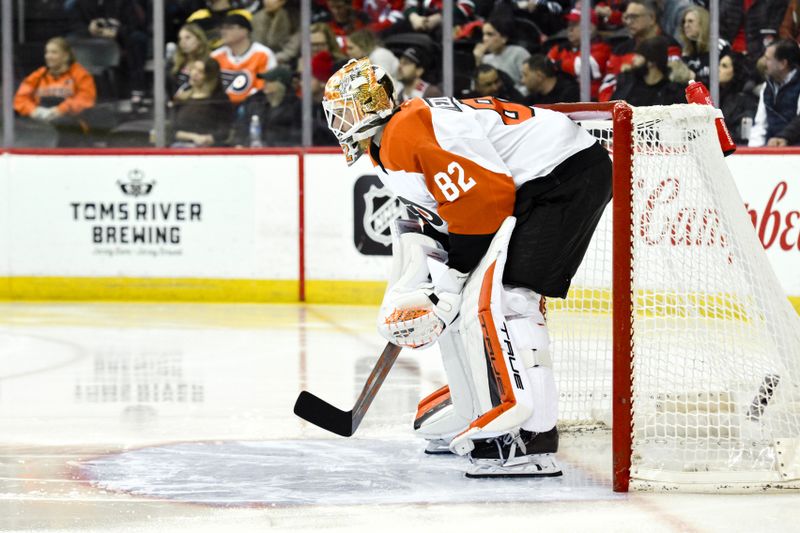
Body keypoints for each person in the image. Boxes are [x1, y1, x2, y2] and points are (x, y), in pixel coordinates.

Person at [321, 57, 612, 477]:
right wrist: (430, 288)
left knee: (513, 300)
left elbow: (484, 203)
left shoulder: (406, 130)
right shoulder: (388, 143)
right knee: (469, 304)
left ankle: (532, 437)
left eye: (344, 110)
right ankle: (478, 405)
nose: (337, 121)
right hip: (536, 181)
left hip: (563, 175)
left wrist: (453, 284)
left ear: (370, 105)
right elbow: (446, 218)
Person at [13, 37, 97, 147]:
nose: (48, 56)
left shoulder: (81, 75)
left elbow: (86, 99)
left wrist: (60, 110)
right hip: (40, 124)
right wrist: (34, 111)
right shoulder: (38, 75)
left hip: (72, 127)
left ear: (66, 56)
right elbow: (20, 99)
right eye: (47, 52)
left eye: (54, 53)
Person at [67, 0, 149, 106]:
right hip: (89, 42)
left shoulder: (124, 3)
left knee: (138, 39)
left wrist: (116, 32)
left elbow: (134, 25)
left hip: (119, 42)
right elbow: (72, 25)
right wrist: (89, 29)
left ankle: (137, 89)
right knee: (68, 40)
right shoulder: (80, 3)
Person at [599, 0, 682, 101]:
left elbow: (673, 80)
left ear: (652, 18)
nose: (629, 22)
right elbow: (607, 88)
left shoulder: (670, 46)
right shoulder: (620, 50)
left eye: (634, 17)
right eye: (626, 17)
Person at [211, 10, 278, 106]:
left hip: (254, 106)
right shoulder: (216, 56)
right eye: (222, 28)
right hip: (221, 107)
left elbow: (266, 86)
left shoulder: (263, 54)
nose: (223, 32)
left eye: (229, 28)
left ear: (245, 30)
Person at [546, 8, 611, 100]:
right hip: (563, 99)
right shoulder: (560, 48)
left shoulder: (603, 48)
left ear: (590, 28)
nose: (570, 29)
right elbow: (547, 67)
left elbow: (584, 68)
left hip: (591, 103)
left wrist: (559, 64)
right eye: (569, 25)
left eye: (575, 25)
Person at [169, 56, 234, 147]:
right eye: (193, 69)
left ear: (210, 77)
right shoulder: (181, 98)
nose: (194, 73)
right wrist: (194, 137)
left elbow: (225, 130)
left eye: (200, 72)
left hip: (211, 148)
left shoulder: (219, 99)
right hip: (181, 147)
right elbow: (172, 130)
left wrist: (208, 138)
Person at [232, 66, 301, 146]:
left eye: (269, 81)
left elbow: (296, 136)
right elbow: (242, 126)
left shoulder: (296, 107)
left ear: (280, 84)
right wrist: (240, 143)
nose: (265, 84)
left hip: (282, 152)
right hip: (253, 149)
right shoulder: (255, 101)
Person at [749, 39, 800, 146]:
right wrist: (753, 154)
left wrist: (783, 137)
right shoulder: (767, 87)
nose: (763, 62)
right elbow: (760, 125)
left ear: (782, 64)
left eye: (768, 59)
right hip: (772, 150)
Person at [611, 36, 686, 106]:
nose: (633, 59)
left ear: (652, 62)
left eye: (639, 56)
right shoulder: (628, 82)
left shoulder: (672, 91)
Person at [473, 15, 531, 94]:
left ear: (504, 38)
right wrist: (478, 61)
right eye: (483, 34)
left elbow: (531, 86)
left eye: (489, 34)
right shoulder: (485, 59)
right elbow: (477, 89)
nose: (484, 39)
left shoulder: (518, 53)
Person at [678, 6, 730, 87]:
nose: (686, 25)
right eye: (684, 22)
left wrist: (694, 77)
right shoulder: (686, 51)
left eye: (690, 21)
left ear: (703, 23)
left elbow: (721, 82)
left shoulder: (720, 47)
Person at [718, 51, 759, 144]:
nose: (718, 69)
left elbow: (742, 135)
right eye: (719, 65)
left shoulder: (747, 101)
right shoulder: (718, 95)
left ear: (736, 71)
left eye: (724, 66)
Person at [168, 23, 211, 97]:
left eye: (188, 38)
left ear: (199, 40)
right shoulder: (175, 64)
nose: (183, 42)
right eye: (180, 38)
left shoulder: (209, 63)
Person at [251, 0, 300, 64]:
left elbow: (294, 43)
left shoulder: (293, 17)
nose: (267, 1)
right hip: (259, 60)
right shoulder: (257, 18)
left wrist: (277, 58)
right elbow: (255, 42)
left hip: (285, 61)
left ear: (283, 1)